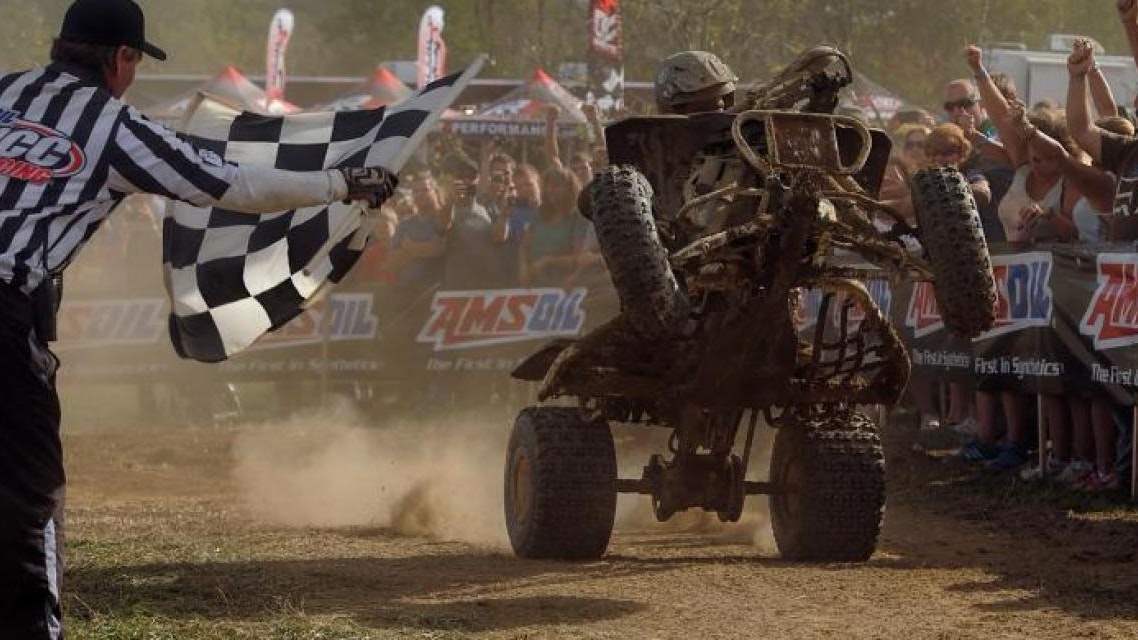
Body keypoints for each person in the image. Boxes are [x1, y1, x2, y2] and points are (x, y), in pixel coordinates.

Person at [0, 1, 399, 636]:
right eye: (132, 62)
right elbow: (229, 184)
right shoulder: (114, 126)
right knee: (29, 498)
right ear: (121, 59)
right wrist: (339, 183)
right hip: (4, 313)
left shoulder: (8, 89)